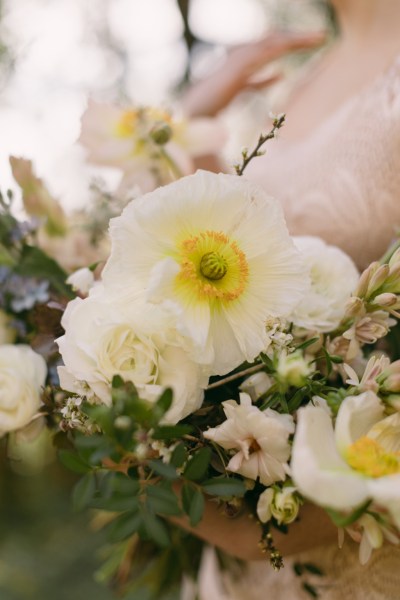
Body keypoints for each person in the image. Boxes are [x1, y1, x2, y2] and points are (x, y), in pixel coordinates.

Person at [177, 1, 400, 598]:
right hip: (246, 565)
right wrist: (193, 128)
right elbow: (250, 260)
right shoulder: (309, 74)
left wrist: (334, 505)